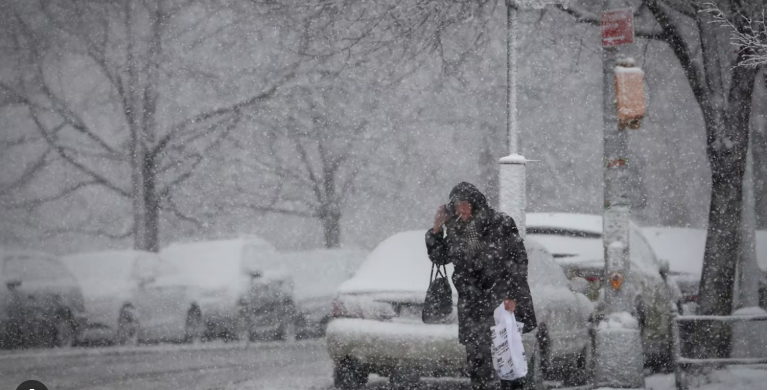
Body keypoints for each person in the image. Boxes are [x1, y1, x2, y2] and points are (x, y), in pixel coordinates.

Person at [425, 182, 536, 390]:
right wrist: (437, 228)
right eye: (457, 206)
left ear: (476, 204)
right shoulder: (456, 228)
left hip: (500, 301)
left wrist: (512, 296)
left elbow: (518, 260)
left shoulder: (500, 223)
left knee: (507, 359)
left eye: (465, 205)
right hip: (471, 304)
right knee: (478, 363)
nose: (462, 210)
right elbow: (440, 258)